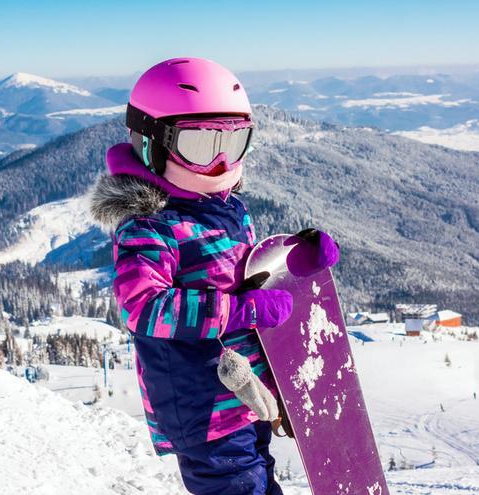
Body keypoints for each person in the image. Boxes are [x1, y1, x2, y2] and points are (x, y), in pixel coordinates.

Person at [90, 58, 339, 495]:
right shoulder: (148, 227)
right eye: (202, 146)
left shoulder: (227, 209)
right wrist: (239, 310)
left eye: (235, 141)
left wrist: (297, 262)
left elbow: (248, 276)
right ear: (154, 145)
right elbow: (145, 307)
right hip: (202, 409)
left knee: (260, 479)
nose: (222, 163)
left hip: (247, 392)